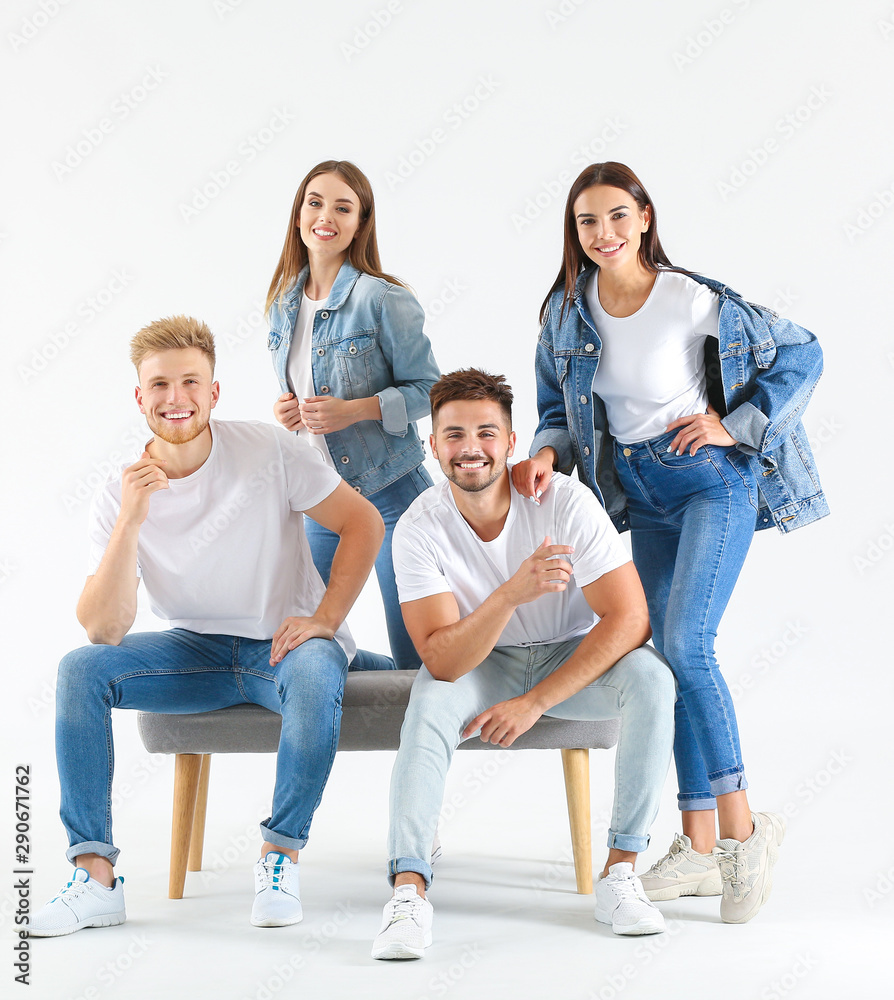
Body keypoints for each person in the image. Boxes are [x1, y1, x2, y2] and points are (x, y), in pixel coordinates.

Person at [512, 162, 828, 924]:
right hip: (640, 494)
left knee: (688, 643)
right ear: (575, 232)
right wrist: (548, 452)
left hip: (711, 479)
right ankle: (695, 846)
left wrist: (737, 424)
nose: (604, 233)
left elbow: (804, 352)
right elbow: (557, 403)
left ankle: (743, 835)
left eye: (618, 216)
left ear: (645, 217)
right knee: (659, 655)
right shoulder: (566, 310)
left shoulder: (691, 298)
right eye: (588, 222)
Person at [30, 316, 384, 936]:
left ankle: (280, 856)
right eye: (160, 385)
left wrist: (327, 620)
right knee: (78, 671)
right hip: (194, 651)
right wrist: (131, 521)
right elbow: (103, 630)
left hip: (283, 643)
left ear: (213, 392)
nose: (176, 398)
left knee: (314, 675)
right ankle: (94, 879)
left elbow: (364, 523)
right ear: (139, 397)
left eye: (191, 382)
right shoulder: (119, 497)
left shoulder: (268, 450)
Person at [371, 369, 676, 960]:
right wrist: (512, 592)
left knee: (652, 678)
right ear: (433, 445)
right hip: (484, 663)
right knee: (430, 697)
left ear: (511, 442)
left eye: (486, 432)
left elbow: (629, 619)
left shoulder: (564, 501)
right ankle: (408, 891)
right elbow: (441, 656)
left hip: (568, 651)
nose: (470, 448)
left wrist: (538, 702)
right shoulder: (418, 527)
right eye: (454, 434)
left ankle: (621, 872)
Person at [266, 159, 440, 671]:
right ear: (298, 216)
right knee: (298, 637)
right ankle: (370, 683)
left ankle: (412, 726)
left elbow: (430, 391)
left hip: (395, 496)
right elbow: (306, 381)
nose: (326, 216)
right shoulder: (282, 303)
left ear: (360, 223)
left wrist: (354, 411)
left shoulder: (384, 299)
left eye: (344, 207)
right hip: (327, 497)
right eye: (315, 203)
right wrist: (288, 409)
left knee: (417, 657)